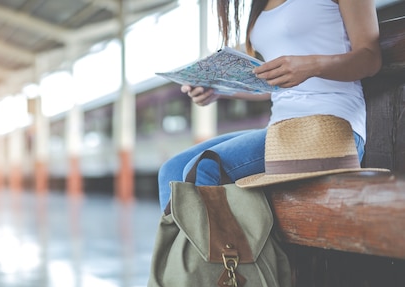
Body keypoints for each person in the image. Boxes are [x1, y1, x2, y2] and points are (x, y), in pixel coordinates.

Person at [157, 0, 382, 210]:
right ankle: (186, 253)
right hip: (279, 131)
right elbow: (273, 85)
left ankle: (217, 253)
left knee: (203, 168)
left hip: (331, 126)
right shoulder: (259, 3)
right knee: (172, 170)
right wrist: (219, 88)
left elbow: (370, 58)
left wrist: (313, 65)